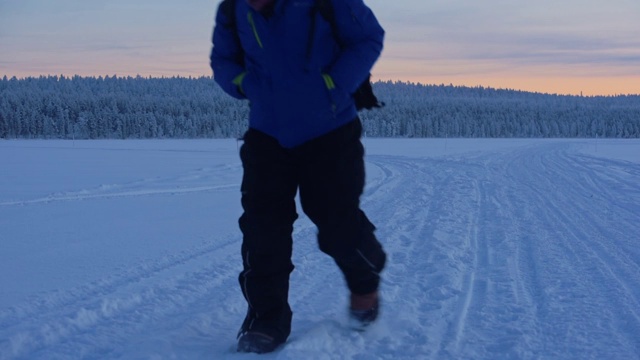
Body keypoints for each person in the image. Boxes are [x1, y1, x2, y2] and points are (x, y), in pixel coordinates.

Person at [210, 0, 387, 353]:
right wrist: (244, 82)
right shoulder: (232, 9)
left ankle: (364, 283)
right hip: (267, 132)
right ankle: (266, 318)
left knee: (338, 224)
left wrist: (333, 83)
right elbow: (223, 60)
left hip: (331, 130)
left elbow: (368, 38)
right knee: (263, 229)